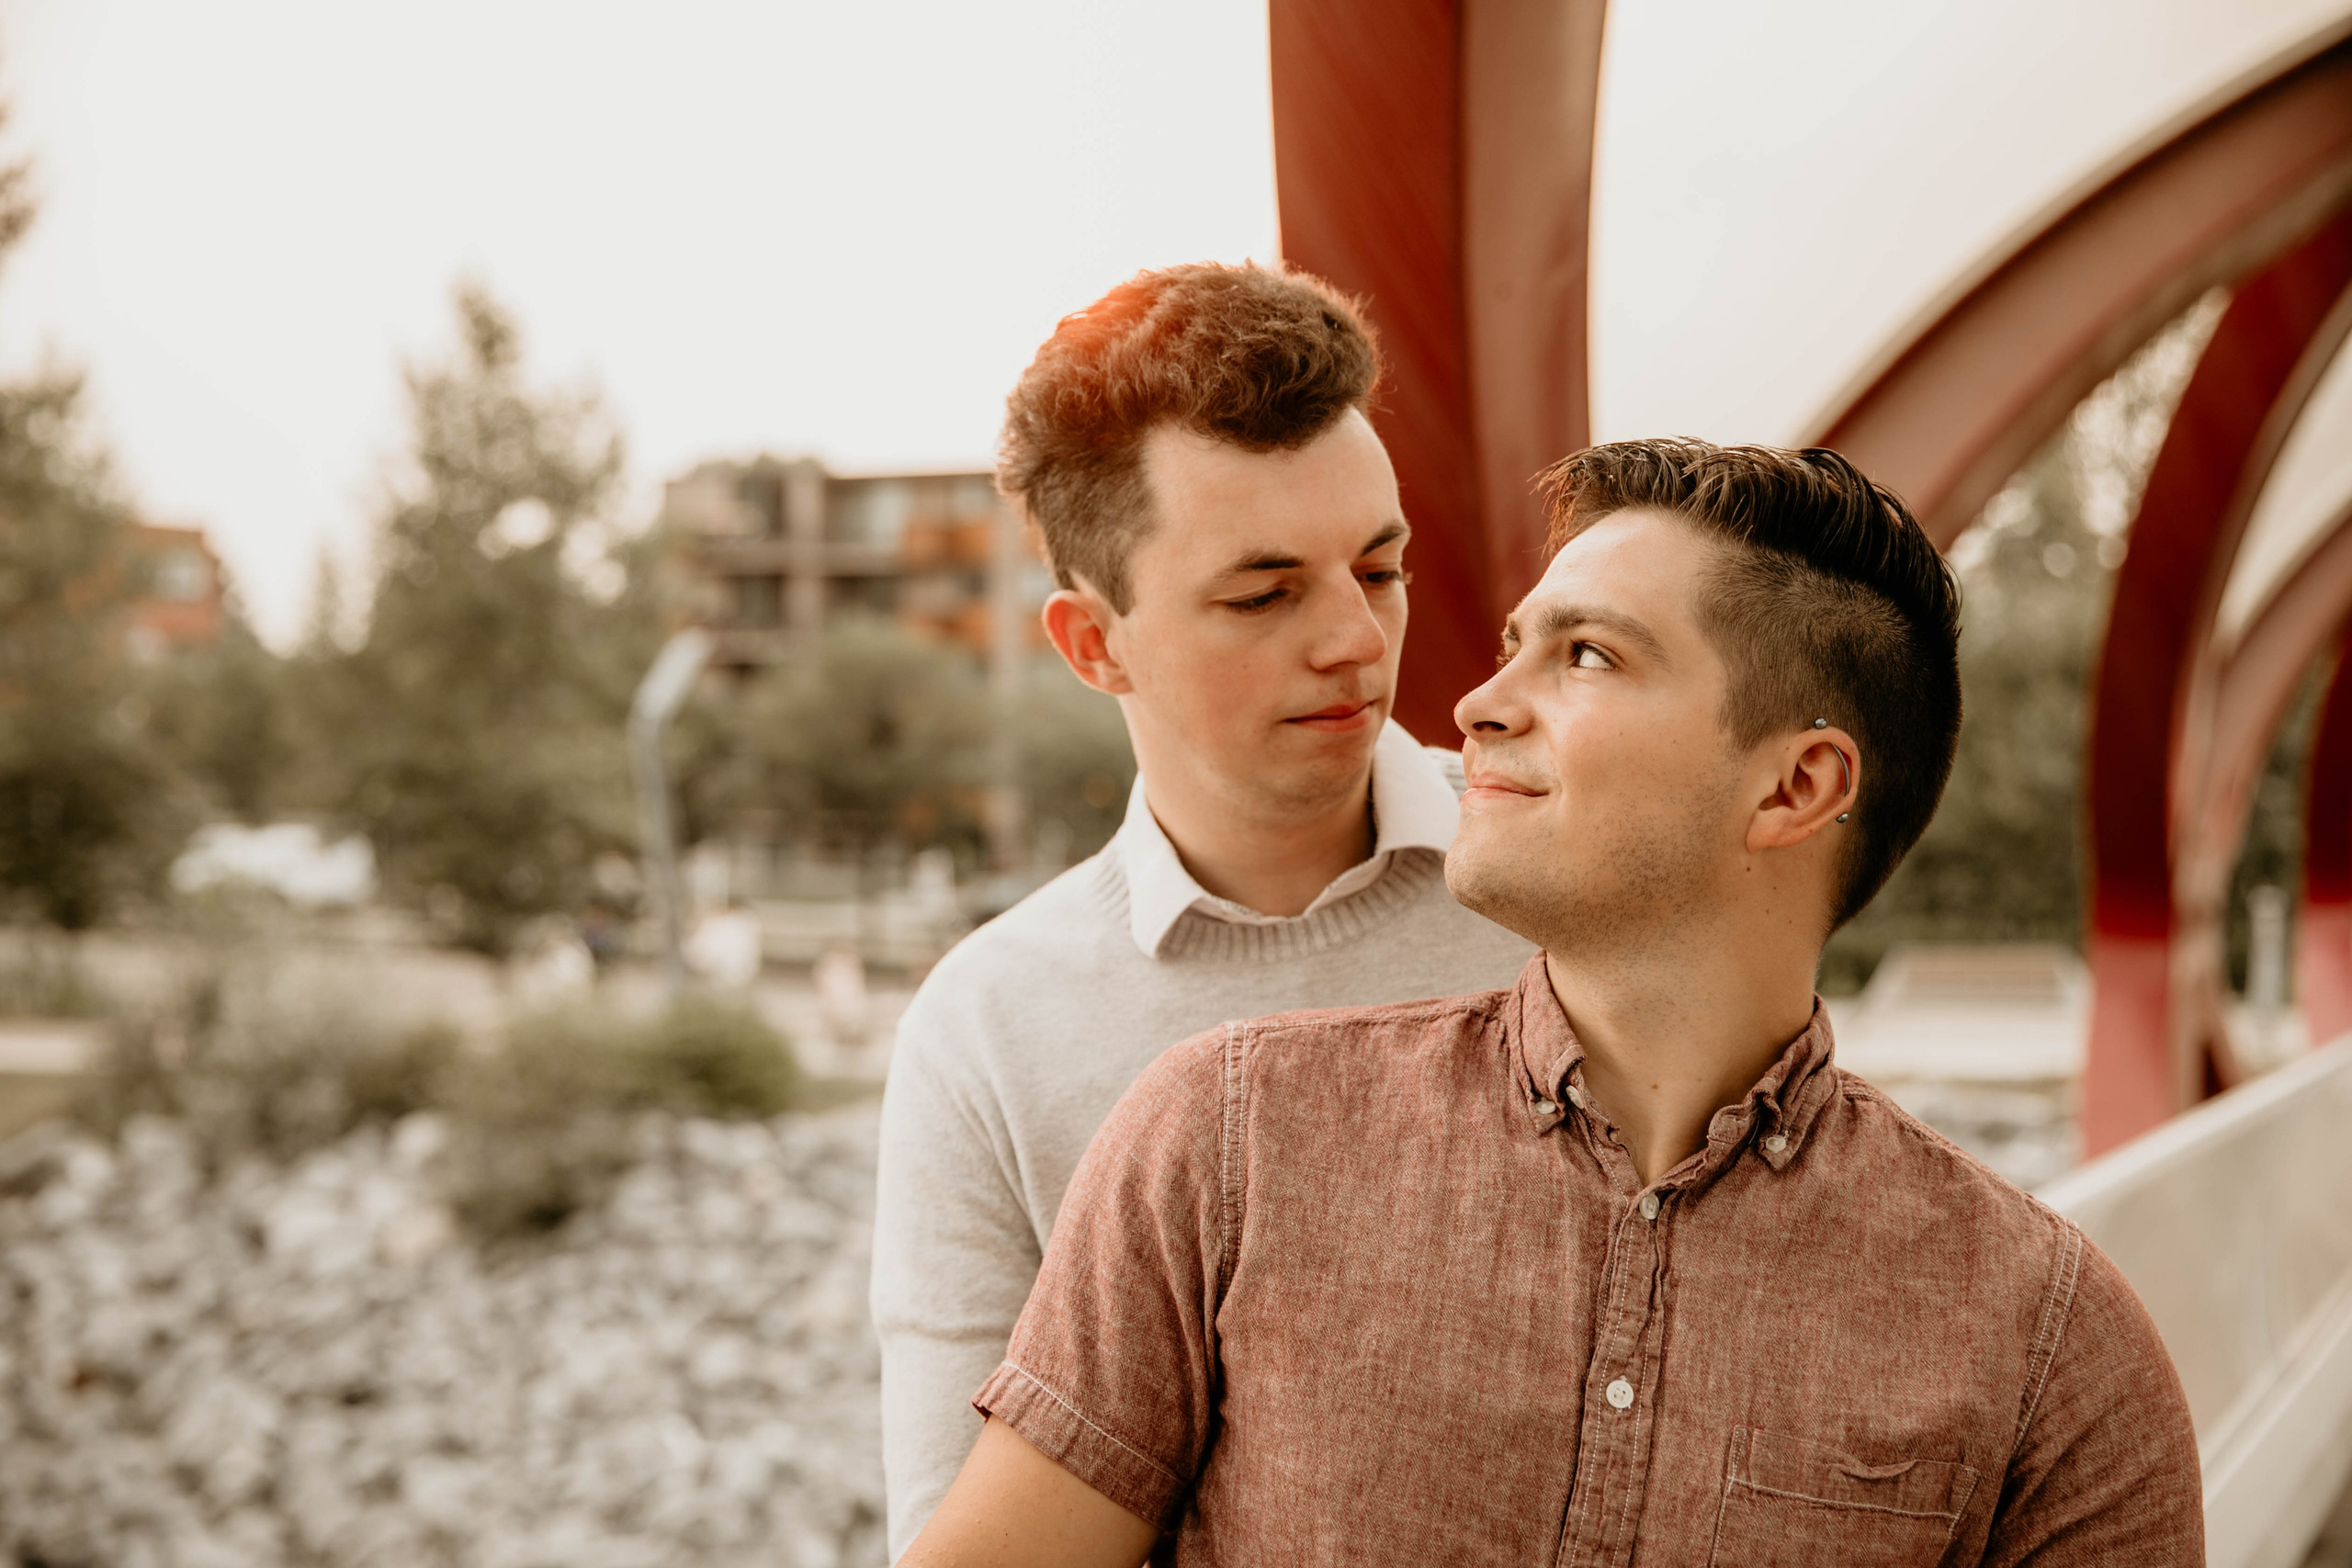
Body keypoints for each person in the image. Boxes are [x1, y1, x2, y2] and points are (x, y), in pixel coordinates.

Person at [904, 439, 2203, 1567]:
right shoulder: (1224, 1139)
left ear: (1796, 787)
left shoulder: (2049, 1346)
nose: (1475, 706)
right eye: (1511, 646)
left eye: (1584, 655)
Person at [870, 263, 1535, 1555]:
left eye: (1380, 568)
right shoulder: (987, 1032)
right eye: (1263, 595)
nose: (1357, 640)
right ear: (1093, 645)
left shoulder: (1574, 882)